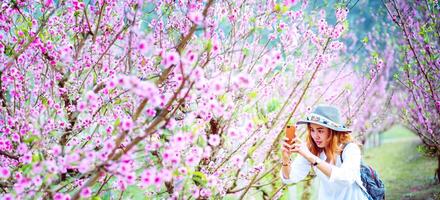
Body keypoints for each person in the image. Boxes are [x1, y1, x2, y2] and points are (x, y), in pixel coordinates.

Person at [280, 105, 369, 200]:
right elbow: (290, 177)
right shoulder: (313, 149)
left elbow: (346, 178)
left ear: (333, 132)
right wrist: (286, 159)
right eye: (312, 130)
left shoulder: (350, 149)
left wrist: (311, 157)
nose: (315, 136)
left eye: (320, 131)